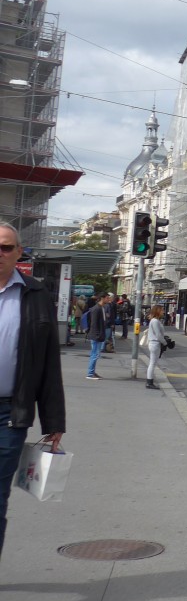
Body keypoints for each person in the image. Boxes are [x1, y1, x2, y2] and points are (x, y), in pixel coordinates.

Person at [0, 221, 65, 559]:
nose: (0, 253)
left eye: (6, 247)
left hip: (10, 413)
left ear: (19, 253)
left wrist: (54, 422)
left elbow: (48, 362)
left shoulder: (35, 293)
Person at [85, 292, 109, 379]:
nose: (108, 299)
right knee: (94, 354)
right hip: (96, 335)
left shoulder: (101, 308)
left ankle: (92, 372)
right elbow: (94, 323)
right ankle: (90, 374)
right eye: (107, 298)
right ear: (102, 298)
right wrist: (98, 335)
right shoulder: (96, 309)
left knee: (95, 354)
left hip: (98, 334)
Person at [143, 304, 166, 390]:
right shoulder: (155, 321)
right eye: (162, 310)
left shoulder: (155, 320)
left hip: (154, 343)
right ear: (158, 311)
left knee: (152, 363)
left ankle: (150, 381)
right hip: (155, 343)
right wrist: (165, 342)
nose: (163, 312)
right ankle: (149, 382)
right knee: (152, 363)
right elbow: (158, 334)